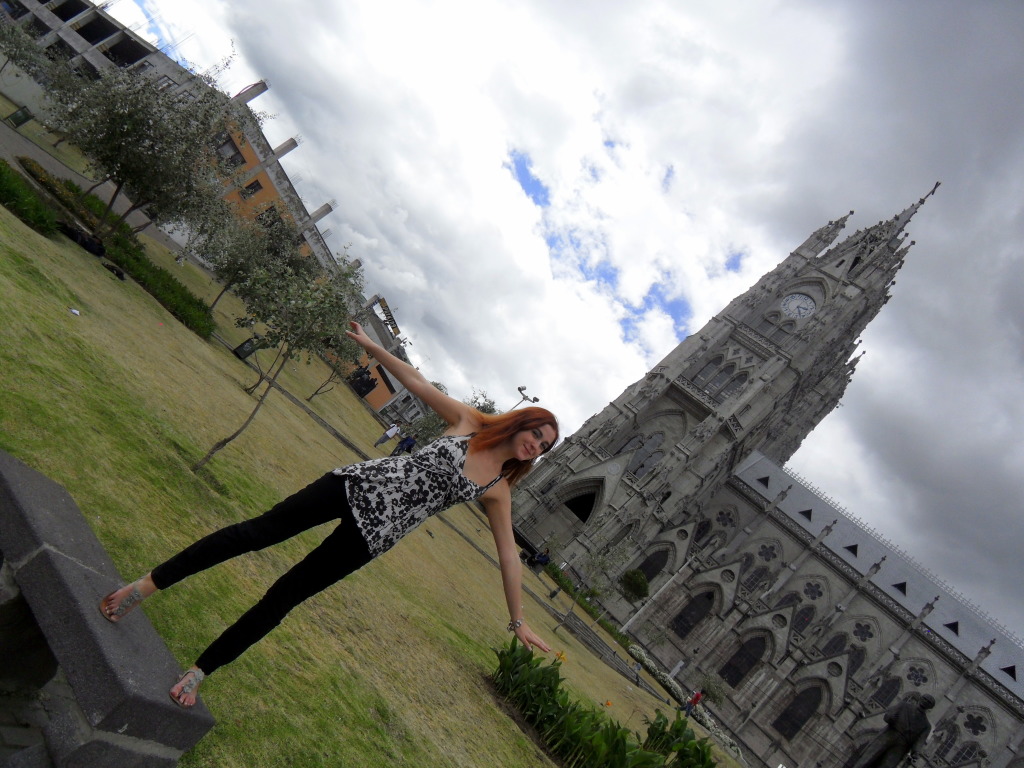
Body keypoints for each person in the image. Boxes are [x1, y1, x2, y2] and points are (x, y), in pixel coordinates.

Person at [99, 321, 558, 708]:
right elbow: (418, 383)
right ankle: (144, 587)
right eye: (536, 434)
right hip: (348, 486)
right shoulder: (469, 423)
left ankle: (200, 671)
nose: (535, 445)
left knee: (283, 597)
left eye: (544, 446)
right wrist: (371, 346)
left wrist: (518, 621)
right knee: (250, 535)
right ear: (522, 422)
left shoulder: (497, 489)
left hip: (373, 537)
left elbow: (509, 557)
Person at [851, 694, 935, 768]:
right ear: (920, 698)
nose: (925, 701)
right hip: (887, 735)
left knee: (887, 765)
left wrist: (915, 753)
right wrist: (890, 717)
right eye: (924, 698)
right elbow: (888, 715)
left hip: (901, 746)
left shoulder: (926, 725)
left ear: (930, 707)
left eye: (928, 702)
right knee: (867, 758)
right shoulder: (904, 705)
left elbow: (919, 742)